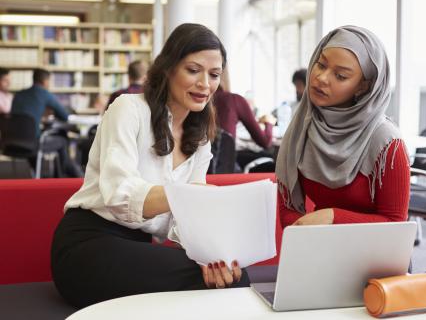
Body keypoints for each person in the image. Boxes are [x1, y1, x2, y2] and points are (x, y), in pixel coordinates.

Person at [51, 23, 249, 308]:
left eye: (214, 74)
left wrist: (212, 256)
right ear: (168, 69)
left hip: (134, 248)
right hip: (87, 244)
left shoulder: (201, 136)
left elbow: (186, 223)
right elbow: (119, 195)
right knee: (225, 284)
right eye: (193, 70)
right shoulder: (128, 109)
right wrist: (189, 195)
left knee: (233, 277)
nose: (205, 84)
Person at [276, 25, 410, 228]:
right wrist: (303, 240)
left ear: (363, 86)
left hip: (375, 256)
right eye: (321, 65)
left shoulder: (387, 143)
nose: (321, 78)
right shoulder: (303, 127)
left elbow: (395, 223)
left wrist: (333, 217)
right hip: (320, 249)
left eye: (340, 76)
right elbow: (288, 208)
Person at [11, 68, 82, 177]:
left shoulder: (18, 95)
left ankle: (48, 173)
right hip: (33, 144)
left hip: (12, 143)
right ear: (45, 81)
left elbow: (22, 116)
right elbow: (64, 115)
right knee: (62, 140)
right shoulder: (44, 93)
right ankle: (70, 175)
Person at [213, 84, 276, 171]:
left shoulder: (205, 100)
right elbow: (265, 141)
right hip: (225, 168)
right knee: (272, 158)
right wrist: (269, 122)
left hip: (212, 167)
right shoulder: (233, 99)